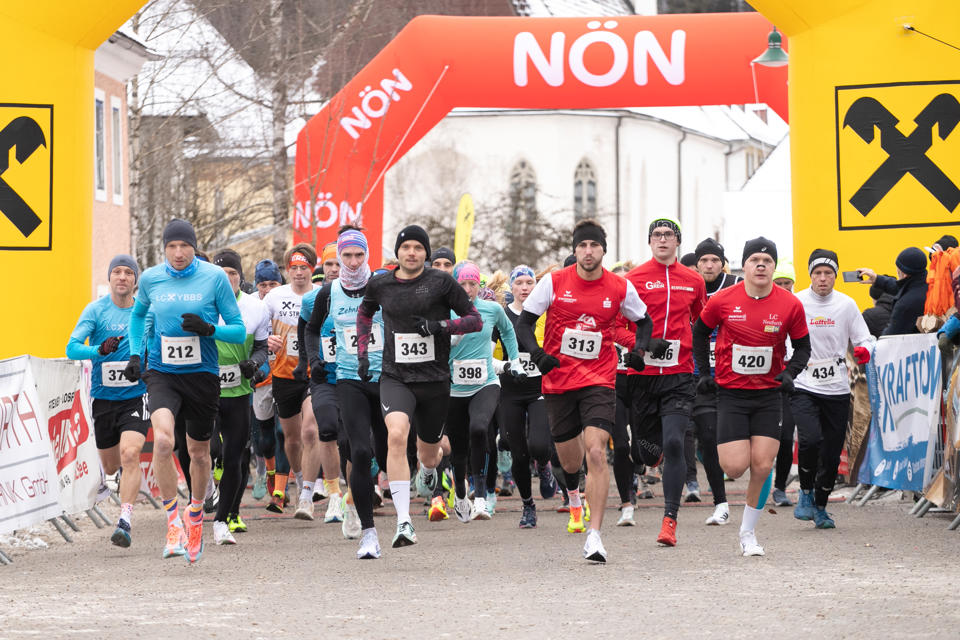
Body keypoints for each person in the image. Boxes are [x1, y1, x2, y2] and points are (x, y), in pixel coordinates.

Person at [518, 219, 651, 563]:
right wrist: (538, 356)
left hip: (599, 380)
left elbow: (644, 322)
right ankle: (574, 497)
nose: (588, 251)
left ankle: (595, 536)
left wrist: (639, 351)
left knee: (595, 451)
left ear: (603, 250)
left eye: (594, 245)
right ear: (575, 250)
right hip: (559, 381)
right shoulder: (554, 282)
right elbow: (524, 323)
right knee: (569, 461)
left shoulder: (619, 287)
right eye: (582, 246)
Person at [122, 219, 246, 563]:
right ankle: (173, 521)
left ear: (194, 247)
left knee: (200, 451)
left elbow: (237, 331)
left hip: (203, 375)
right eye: (172, 247)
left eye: (184, 247)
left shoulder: (214, 278)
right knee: (163, 441)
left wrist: (210, 329)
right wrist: (135, 353)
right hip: (162, 373)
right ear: (164, 248)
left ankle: (195, 512)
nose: (178, 253)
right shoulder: (150, 278)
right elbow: (137, 316)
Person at [356, 225, 482, 548]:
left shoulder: (440, 282)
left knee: (428, 454)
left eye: (418, 248)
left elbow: (473, 320)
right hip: (395, 376)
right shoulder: (380, 282)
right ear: (397, 252)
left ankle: (431, 470)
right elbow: (365, 312)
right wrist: (362, 355)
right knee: (396, 435)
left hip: (434, 381)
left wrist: (441, 326)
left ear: (426, 253)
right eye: (406, 247)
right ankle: (404, 522)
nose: (411, 252)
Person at [692, 237, 810, 557]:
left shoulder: (789, 303)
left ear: (773, 267)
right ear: (743, 266)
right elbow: (699, 332)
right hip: (731, 394)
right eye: (754, 259)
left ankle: (748, 533)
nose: (761, 264)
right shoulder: (723, 300)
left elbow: (803, 348)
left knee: (762, 464)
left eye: (767, 260)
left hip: (769, 396)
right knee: (734, 467)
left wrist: (790, 373)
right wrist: (705, 373)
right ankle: (719, 456)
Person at [623, 217, 706, 546]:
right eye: (656, 235)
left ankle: (669, 520)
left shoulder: (693, 280)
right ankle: (650, 457)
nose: (662, 240)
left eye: (668, 235)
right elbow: (617, 324)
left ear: (677, 241)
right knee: (644, 453)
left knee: (674, 443)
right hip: (641, 376)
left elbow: (702, 321)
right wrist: (639, 346)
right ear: (649, 241)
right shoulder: (633, 279)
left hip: (679, 375)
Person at [306, 227, 387, 558]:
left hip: (384, 379)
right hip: (348, 378)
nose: (352, 262)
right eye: (346, 256)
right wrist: (314, 359)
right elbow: (311, 330)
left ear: (367, 255)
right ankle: (366, 527)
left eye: (359, 255)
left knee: (387, 452)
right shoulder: (328, 293)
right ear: (338, 258)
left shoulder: (382, 287)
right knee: (359, 451)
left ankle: (365, 495)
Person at [66, 255, 149, 548]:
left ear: (135, 280)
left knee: (130, 455)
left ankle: (125, 520)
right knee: (112, 466)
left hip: (136, 397)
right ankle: (112, 480)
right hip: (103, 399)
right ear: (110, 278)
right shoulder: (96, 310)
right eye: (117, 272)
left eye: (129, 272)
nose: (123, 277)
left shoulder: (144, 312)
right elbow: (72, 347)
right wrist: (98, 351)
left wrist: (145, 364)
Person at [792, 249, 873, 528]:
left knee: (831, 450)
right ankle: (804, 493)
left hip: (837, 387)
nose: (823, 278)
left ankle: (821, 506)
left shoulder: (847, 304)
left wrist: (864, 350)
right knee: (810, 439)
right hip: (803, 382)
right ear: (810, 275)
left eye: (828, 273)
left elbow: (865, 338)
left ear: (835, 276)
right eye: (818, 273)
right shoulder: (796, 301)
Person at [440, 261, 524, 523]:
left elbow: (509, 332)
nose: (467, 289)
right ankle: (462, 494)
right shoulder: (446, 311)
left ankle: (480, 498)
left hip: (486, 383)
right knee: (459, 446)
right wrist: (449, 337)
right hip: (454, 388)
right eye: (462, 284)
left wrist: (515, 360)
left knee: (479, 429)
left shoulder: (491, 310)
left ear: (480, 285)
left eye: (472, 284)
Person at [210, 250, 270, 545]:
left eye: (233, 274)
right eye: (221, 275)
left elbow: (261, 348)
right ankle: (206, 493)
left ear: (240, 278)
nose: (227, 279)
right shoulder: (202, 305)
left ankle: (222, 519)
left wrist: (254, 364)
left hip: (239, 392)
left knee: (235, 457)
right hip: (205, 390)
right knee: (207, 448)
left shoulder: (254, 308)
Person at [262, 243, 318, 513]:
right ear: (287, 271)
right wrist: (267, 340)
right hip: (284, 374)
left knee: (310, 430)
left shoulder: (321, 295)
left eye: (303, 267)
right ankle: (298, 475)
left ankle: (306, 494)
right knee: (292, 438)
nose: (298, 273)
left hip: (314, 374)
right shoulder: (274, 297)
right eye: (294, 268)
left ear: (312, 269)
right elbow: (259, 327)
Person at [292, 242, 345, 524]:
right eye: (330, 265)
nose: (335, 270)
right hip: (322, 376)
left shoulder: (362, 297)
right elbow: (305, 333)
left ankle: (354, 492)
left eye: (339, 264)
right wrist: (306, 363)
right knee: (315, 429)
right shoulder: (313, 301)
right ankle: (310, 495)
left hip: (353, 378)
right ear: (321, 268)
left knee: (350, 438)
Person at [689, 237, 739, 526]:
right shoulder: (688, 287)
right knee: (707, 437)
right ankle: (721, 502)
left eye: (714, 260)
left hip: (733, 374)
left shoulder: (735, 286)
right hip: (699, 375)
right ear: (697, 264)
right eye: (704, 260)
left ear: (722, 263)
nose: (709, 265)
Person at [770, 260, 798, 506]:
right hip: (765, 381)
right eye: (778, 283)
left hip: (792, 382)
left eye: (786, 283)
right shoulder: (764, 305)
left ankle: (779, 488)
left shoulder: (800, 307)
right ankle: (760, 480)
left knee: (786, 437)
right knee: (763, 438)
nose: (782, 287)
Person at [858, 247, 927, 335]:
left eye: (898, 273)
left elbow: (890, 337)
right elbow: (904, 287)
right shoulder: (927, 283)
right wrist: (876, 279)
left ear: (904, 274)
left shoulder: (904, 305)